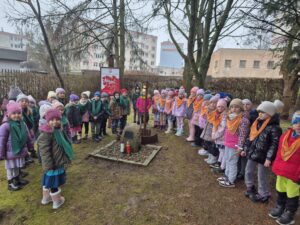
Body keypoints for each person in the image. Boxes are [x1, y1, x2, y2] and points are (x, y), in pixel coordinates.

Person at [243, 101, 282, 203]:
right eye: (259, 112)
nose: (259, 114)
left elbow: (274, 145)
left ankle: (263, 193)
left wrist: (269, 158)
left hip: (264, 157)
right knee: (248, 171)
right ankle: (250, 187)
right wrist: (245, 148)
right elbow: (250, 137)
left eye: (263, 112)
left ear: (270, 114)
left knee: (262, 175)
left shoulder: (275, 128)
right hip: (253, 152)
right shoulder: (257, 123)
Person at [37, 108, 74, 209]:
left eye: (57, 119)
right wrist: (49, 166)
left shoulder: (58, 130)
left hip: (55, 162)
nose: (55, 122)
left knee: (48, 182)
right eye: (52, 120)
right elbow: (44, 153)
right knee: (54, 184)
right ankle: (57, 201)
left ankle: (46, 198)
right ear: (47, 121)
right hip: (53, 165)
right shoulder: (46, 134)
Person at [269, 111, 300, 225]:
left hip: (295, 174)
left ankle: (289, 213)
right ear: (292, 123)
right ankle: (280, 206)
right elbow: (279, 153)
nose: (299, 125)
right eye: (296, 122)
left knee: (292, 194)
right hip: (282, 170)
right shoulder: (285, 136)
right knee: (280, 189)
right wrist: (276, 165)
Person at [0, 101, 32, 191]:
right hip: (10, 152)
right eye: (14, 113)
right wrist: (1, 154)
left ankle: (17, 180)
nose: (17, 115)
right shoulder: (5, 126)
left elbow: (27, 136)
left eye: (18, 113)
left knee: (17, 166)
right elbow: (1, 141)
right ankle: (10, 183)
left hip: (20, 150)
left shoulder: (23, 124)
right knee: (10, 168)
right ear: (9, 114)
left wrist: (30, 146)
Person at [218, 98, 250, 188]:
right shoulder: (230, 117)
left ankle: (231, 180)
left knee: (232, 162)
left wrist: (240, 147)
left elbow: (242, 135)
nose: (234, 109)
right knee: (227, 160)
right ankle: (227, 176)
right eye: (232, 107)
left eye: (236, 107)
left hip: (235, 145)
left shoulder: (243, 120)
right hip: (228, 142)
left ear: (241, 108)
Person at [237, 99, 258, 180]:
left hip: (248, 138)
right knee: (238, 155)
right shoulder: (240, 114)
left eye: (247, 104)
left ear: (251, 105)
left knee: (244, 156)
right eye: (243, 104)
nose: (245, 106)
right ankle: (238, 170)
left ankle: (243, 173)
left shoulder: (254, 116)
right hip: (240, 137)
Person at [17, 94, 37, 160]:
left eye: (26, 101)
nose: (24, 102)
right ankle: (25, 157)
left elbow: (31, 120)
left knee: (31, 141)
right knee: (24, 143)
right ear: (18, 102)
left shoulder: (29, 110)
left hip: (29, 128)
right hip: (22, 129)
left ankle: (32, 152)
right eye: (22, 101)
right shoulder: (18, 111)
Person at [201, 95, 220, 165]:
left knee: (213, 145)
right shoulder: (209, 110)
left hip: (213, 131)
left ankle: (214, 157)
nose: (212, 104)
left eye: (215, 103)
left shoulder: (217, 113)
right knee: (208, 144)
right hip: (208, 130)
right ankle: (210, 156)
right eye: (211, 102)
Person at [211, 99, 228, 172]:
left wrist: (215, 135)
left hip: (223, 138)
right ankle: (219, 163)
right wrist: (213, 134)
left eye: (222, 107)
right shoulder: (217, 114)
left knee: (224, 152)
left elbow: (222, 128)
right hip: (218, 137)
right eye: (218, 106)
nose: (220, 108)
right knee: (221, 151)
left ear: (225, 107)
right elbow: (215, 126)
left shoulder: (224, 116)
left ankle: (222, 167)